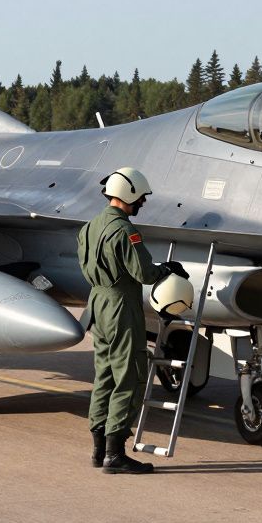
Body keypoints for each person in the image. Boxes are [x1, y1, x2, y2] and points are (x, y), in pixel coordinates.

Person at [77, 166, 187, 474]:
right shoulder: (125, 231)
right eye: (140, 199)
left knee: (105, 376)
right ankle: (115, 454)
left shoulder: (90, 227)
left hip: (97, 303)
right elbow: (143, 273)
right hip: (121, 307)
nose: (142, 204)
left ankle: (99, 450)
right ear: (128, 196)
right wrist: (167, 269)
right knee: (130, 376)